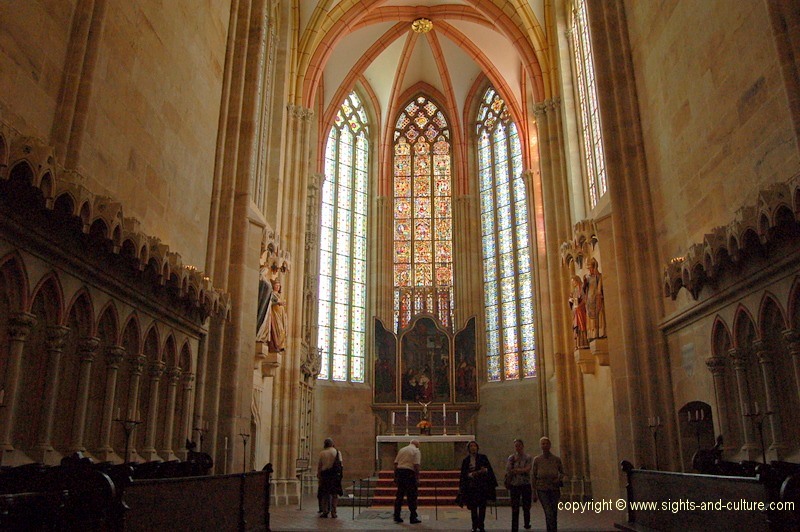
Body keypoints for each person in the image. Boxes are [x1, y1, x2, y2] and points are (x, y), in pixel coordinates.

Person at [458, 440, 497, 532]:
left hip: (482, 485)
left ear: (477, 447)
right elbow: (464, 474)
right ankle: (474, 525)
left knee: (482, 506)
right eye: (471, 446)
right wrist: (470, 475)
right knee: (473, 507)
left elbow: (489, 470)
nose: (473, 448)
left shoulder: (483, 458)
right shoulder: (466, 460)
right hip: (472, 486)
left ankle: (481, 525)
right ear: (468, 448)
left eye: (474, 446)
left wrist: (484, 471)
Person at [532, 436, 565, 531]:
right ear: (540, 446)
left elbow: (563, 473)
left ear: (550, 445)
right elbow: (533, 476)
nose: (545, 445)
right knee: (548, 511)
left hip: (554, 488)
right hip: (542, 489)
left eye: (546, 443)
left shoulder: (556, 459)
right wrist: (534, 492)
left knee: (554, 512)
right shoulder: (537, 460)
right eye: (543, 443)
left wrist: (558, 479)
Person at [506, 438, 533, 531]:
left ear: (522, 446)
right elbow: (509, 469)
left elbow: (528, 469)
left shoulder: (528, 457)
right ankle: (514, 527)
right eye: (516, 446)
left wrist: (517, 470)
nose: (517, 447)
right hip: (514, 484)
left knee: (526, 506)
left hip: (525, 484)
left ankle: (527, 523)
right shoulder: (511, 457)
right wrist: (520, 470)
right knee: (515, 507)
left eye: (519, 445)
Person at [393, 439, 422, 524]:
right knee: (412, 495)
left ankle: (397, 515)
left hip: (400, 472)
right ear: (417, 445)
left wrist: (395, 475)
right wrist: (417, 477)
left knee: (399, 495)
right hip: (409, 473)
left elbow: (395, 463)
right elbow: (416, 465)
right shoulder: (416, 451)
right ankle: (413, 517)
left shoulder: (402, 449)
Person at [317, 438, 343, 518]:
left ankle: (325, 511)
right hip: (334, 475)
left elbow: (320, 465)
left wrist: (319, 475)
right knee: (334, 494)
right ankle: (334, 512)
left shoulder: (322, 453)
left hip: (325, 475)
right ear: (332, 444)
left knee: (325, 494)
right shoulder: (337, 452)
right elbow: (341, 465)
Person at [582, 258, 605, 340]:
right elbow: (584, 289)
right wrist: (584, 283)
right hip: (589, 300)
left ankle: (598, 333)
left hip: (596, 299)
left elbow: (600, 288)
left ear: (594, 267)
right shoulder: (587, 278)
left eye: (590, 268)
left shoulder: (599, 276)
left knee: (598, 316)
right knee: (590, 318)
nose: (589, 270)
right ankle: (592, 334)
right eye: (588, 269)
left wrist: (599, 295)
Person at [569, 274, 589, 349]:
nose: (573, 283)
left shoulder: (581, 289)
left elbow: (584, 299)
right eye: (572, 282)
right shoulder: (574, 291)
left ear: (577, 280)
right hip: (576, 312)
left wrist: (579, 306)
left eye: (574, 281)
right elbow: (572, 301)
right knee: (576, 327)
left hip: (581, 311)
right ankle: (578, 343)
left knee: (582, 325)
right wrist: (571, 300)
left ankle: (584, 342)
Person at [267, 278, 287, 352]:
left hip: (280, 314)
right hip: (274, 313)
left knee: (282, 330)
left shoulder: (279, 295)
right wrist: (278, 303)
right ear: (273, 286)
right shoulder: (272, 294)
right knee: (279, 329)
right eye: (276, 285)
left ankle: (280, 345)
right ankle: (277, 345)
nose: (277, 287)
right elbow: (270, 303)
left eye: (279, 286)